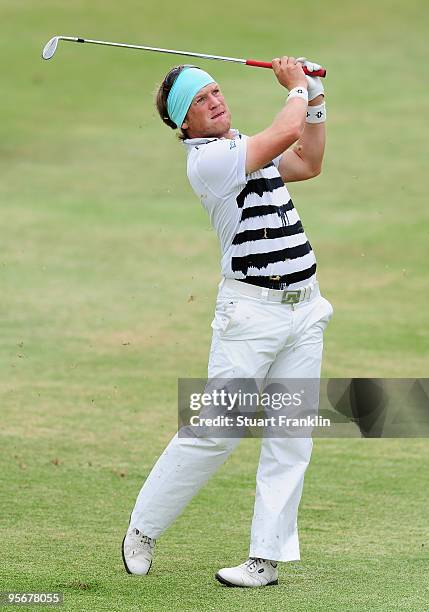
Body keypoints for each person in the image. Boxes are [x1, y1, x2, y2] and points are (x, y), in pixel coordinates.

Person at [122, 56, 333, 587]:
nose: (215, 101)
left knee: (291, 436)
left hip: (304, 310)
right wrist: (296, 88)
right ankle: (144, 528)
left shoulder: (241, 147)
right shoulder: (212, 162)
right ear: (183, 123)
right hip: (251, 316)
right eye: (200, 99)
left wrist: (317, 101)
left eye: (215, 91)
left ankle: (264, 559)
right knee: (217, 430)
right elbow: (286, 130)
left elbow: (308, 161)